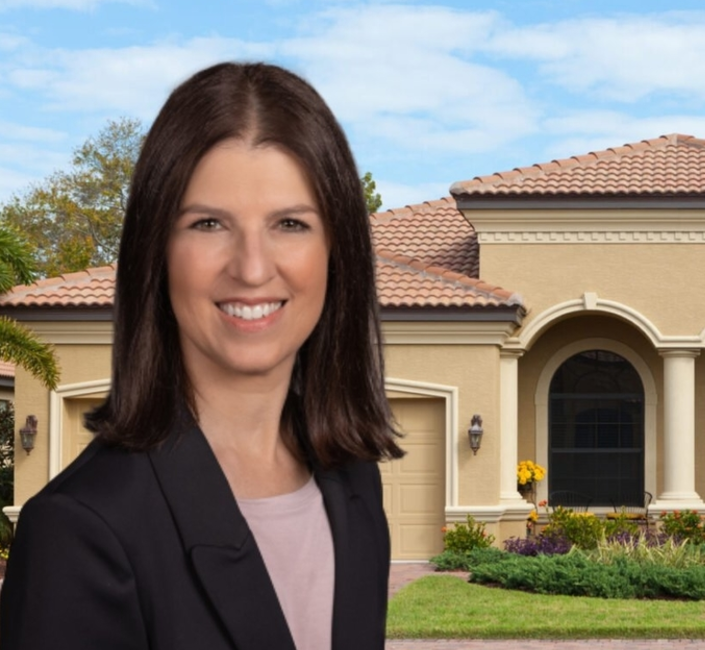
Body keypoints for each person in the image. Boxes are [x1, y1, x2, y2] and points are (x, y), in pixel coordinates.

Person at [0, 62, 403, 650]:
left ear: (335, 251)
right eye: (209, 223)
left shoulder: (354, 483)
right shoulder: (78, 531)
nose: (253, 267)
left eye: (290, 223)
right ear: (155, 250)